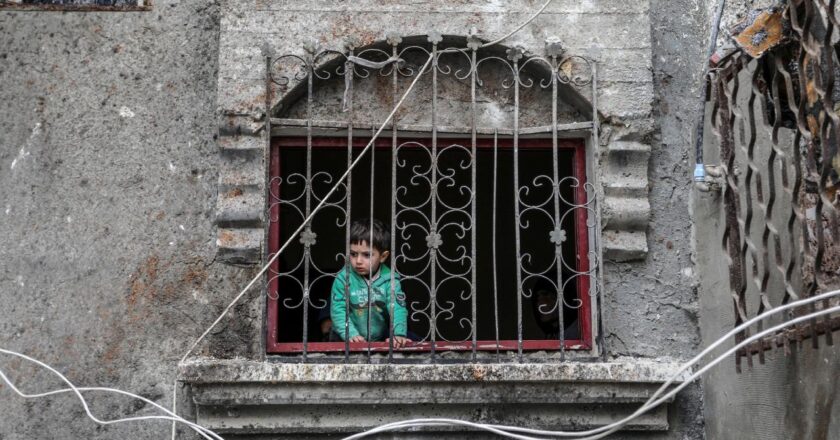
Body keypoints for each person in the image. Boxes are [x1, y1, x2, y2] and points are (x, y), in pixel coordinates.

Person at [330, 218, 409, 348]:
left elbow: (397, 307)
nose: (358, 261)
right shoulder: (343, 278)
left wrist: (398, 333)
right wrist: (350, 334)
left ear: (383, 256)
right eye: (353, 254)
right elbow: (338, 310)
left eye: (367, 255)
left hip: (378, 337)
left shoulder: (390, 280)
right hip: (343, 338)